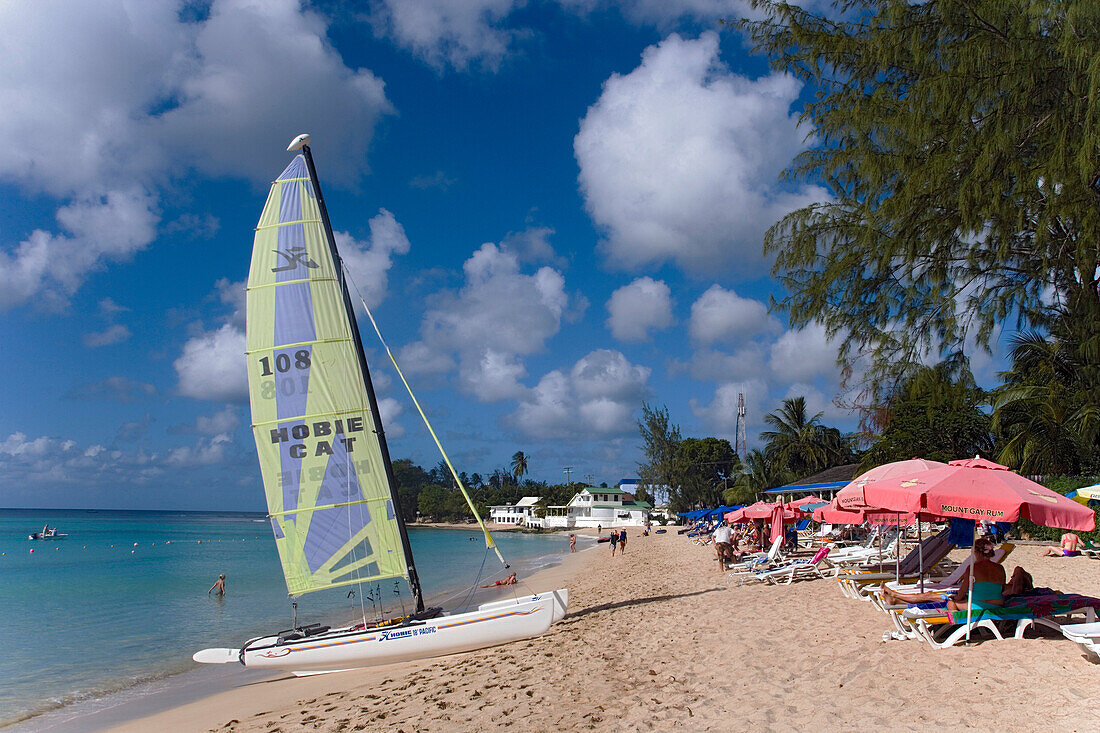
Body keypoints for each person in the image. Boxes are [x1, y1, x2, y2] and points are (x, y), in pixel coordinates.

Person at [881, 536, 1006, 610]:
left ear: (977, 552)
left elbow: (961, 593)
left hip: (978, 605)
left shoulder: (972, 568)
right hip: (998, 603)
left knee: (944, 600)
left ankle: (895, 595)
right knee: (933, 596)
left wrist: (956, 597)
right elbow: (1002, 589)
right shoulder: (1000, 568)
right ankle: (895, 597)